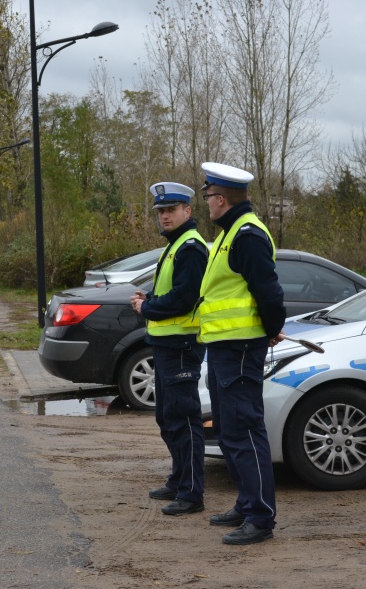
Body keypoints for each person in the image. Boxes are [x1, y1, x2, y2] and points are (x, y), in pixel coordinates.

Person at [197, 162, 285, 545]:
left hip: (240, 348)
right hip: (223, 347)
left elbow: (270, 292)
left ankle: (260, 517)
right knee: (230, 430)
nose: (207, 205)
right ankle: (247, 502)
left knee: (244, 430)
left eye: (207, 197)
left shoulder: (246, 235)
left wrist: (269, 330)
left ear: (220, 199)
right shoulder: (230, 234)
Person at [130, 182, 209, 517]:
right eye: (161, 211)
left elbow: (184, 298)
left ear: (187, 211)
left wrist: (147, 308)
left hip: (181, 345)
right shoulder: (176, 245)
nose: (165, 216)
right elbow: (172, 291)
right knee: (167, 417)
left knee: (184, 419)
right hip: (167, 344)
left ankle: (192, 493)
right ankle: (179, 480)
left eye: (171, 210)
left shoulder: (190, 246)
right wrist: (149, 300)